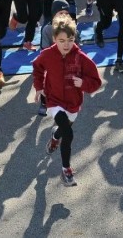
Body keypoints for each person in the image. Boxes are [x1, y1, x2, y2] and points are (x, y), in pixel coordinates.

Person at [32, 13, 102, 186]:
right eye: (62, 40)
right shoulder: (48, 55)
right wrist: (39, 87)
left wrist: (83, 83)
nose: (66, 44)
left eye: (70, 40)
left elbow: (96, 81)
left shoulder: (81, 58)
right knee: (68, 133)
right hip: (54, 100)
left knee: (64, 129)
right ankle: (66, 170)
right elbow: (37, 67)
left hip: (73, 102)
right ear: (55, 39)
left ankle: (55, 138)